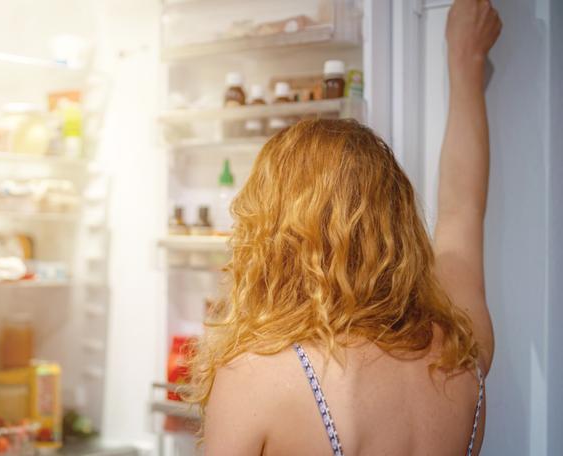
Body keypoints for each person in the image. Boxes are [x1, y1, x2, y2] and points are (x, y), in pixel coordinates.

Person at [184, 0, 502, 454]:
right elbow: (462, 212)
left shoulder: (258, 377)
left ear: (275, 236)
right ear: (397, 222)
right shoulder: (461, 352)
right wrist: (465, 62)